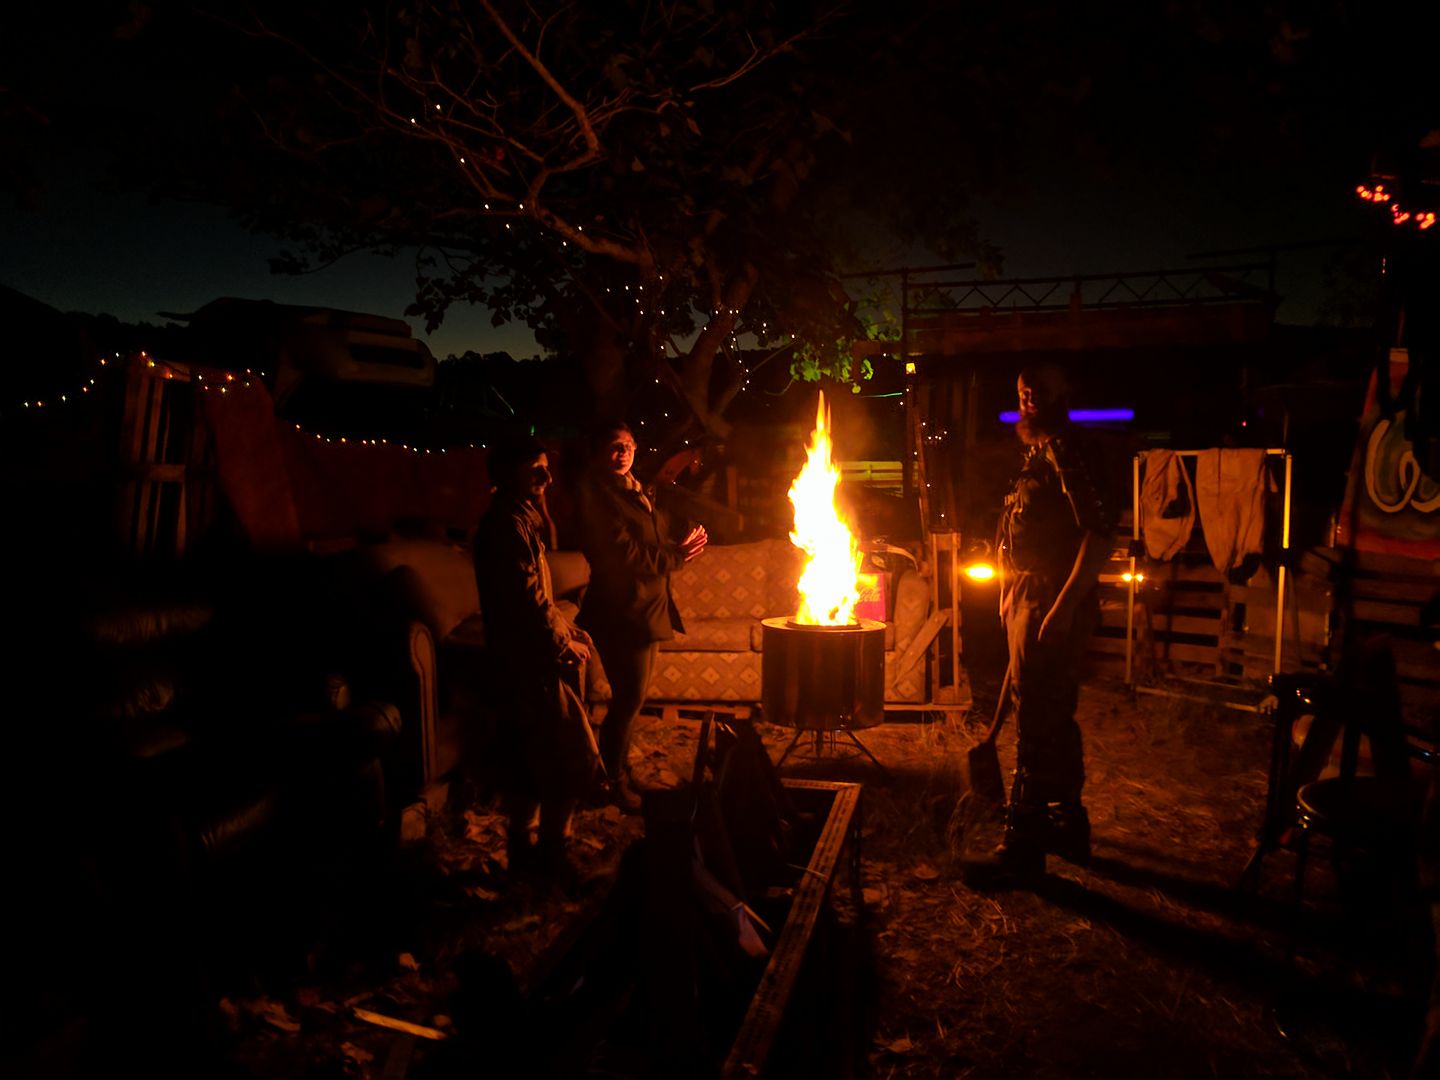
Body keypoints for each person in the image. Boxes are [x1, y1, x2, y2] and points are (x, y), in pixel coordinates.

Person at [963, 364, 1117, 887]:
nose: (1028, 396)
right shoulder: (1037, 453)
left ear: (1062, 392)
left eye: (1039, 389)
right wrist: (1009, 591)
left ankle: (1022, 846)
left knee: (1035, 718)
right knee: (1054, 713)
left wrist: (1064, 605)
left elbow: (1100, 533)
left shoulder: (1069, 451)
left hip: (1051, 596)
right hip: (1026, 595)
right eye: (1022, 390)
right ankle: (1068, 825)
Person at [473, 434, 599, 877]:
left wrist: (566, 626)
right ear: (508, 474)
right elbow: (526, 599)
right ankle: (551, 854)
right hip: (532, 664)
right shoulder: (507, 526)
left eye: (547, 467)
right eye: (535, 470)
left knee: (530, 760)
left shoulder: (519, 519)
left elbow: (537, 595)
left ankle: (525, 855)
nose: (547, 476)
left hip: (525, 658)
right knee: (568, 756)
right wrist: (562, 643)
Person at [575, 422, 707, 812]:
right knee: (628, 700)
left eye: (629, 445)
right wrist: (677, 556)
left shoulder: (635, 489)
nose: (624, 453)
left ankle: (616, 771)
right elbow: (624, 555)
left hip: (648, 607)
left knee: (634, 699)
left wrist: (678, 542)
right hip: (621, 611)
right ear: (600, 452)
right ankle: (608, 782)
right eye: (615, 446)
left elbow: (650, 538)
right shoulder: (597, 496)